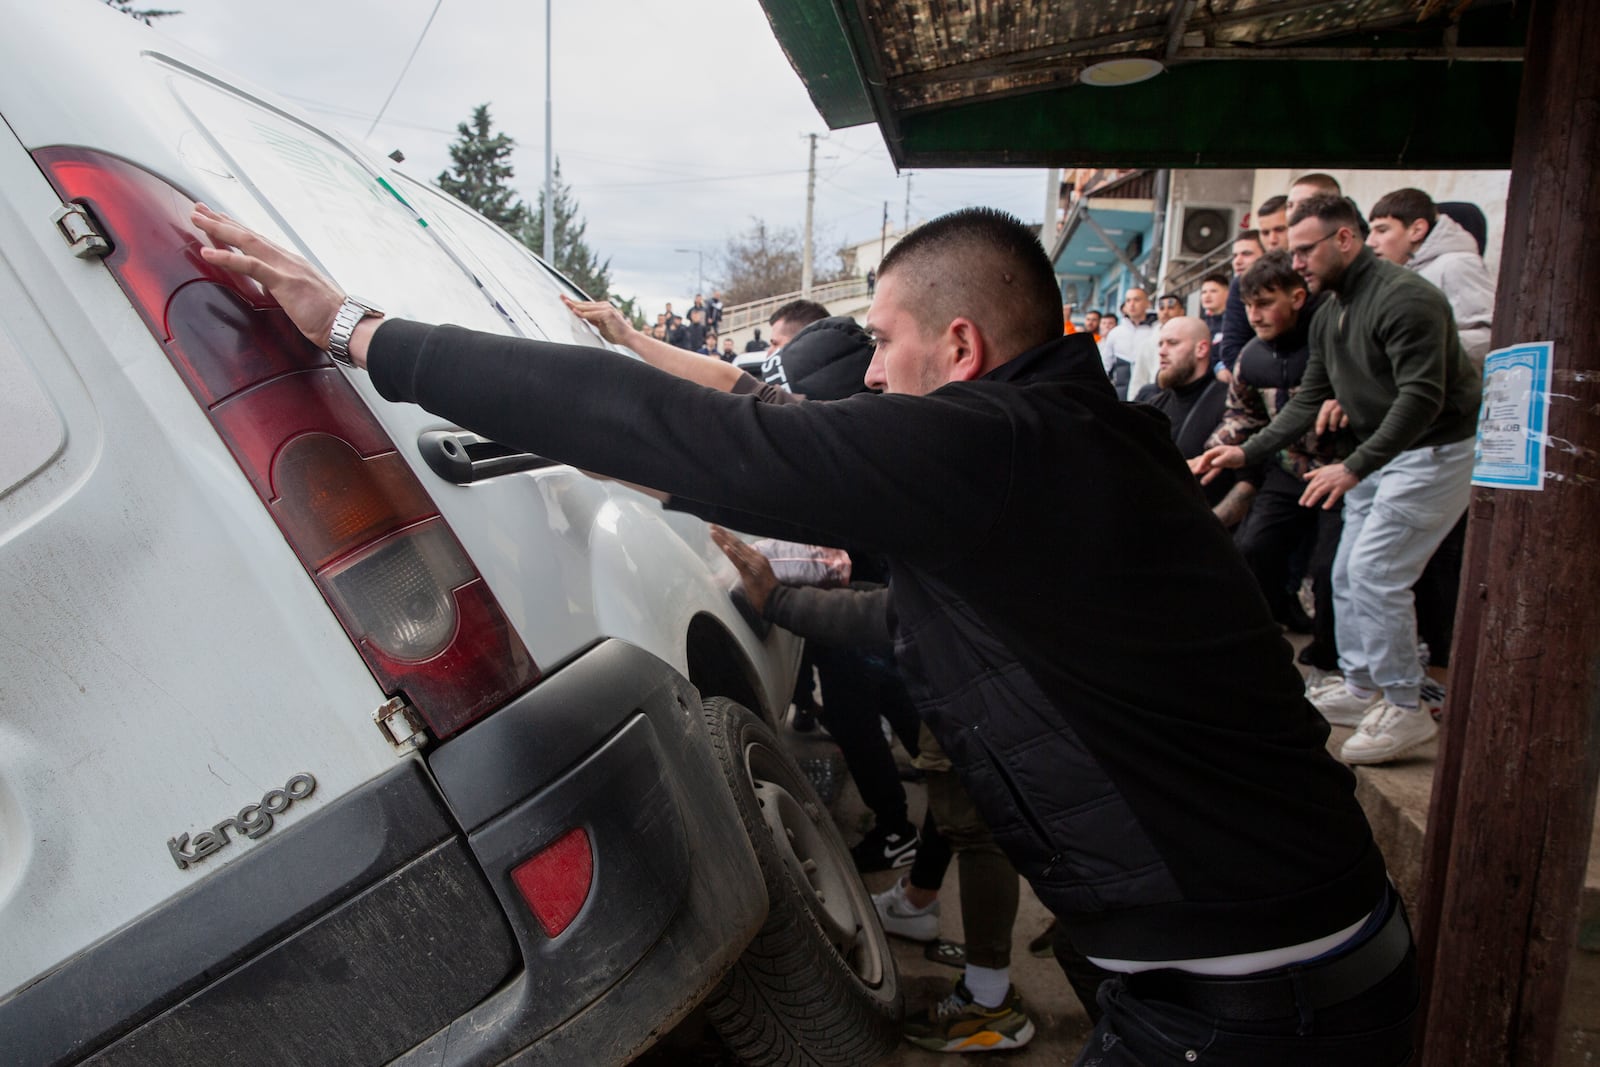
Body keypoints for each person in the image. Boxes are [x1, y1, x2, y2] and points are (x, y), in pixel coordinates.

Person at [193, 202, 1417, 1066]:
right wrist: (776, 596)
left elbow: (731, 442)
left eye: (881, 342)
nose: (868, 373)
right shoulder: (1055, 449)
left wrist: (361, 331)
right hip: (1251, 969)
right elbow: (922, 601)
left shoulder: (1003, 448)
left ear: (961, 347)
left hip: (1253, 1003)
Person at [709, 532, 1062, 1051]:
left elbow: (900, 614)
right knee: (961, 800)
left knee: (977, 826)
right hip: (972, 653)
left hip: (969, 658)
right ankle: (920, 900)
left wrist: (784, 597)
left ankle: (990, 1003)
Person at [1194, 194, 1482, 766]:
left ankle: (1404, 706)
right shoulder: (1329, 312)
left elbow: (1423, 397)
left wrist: (1353, 465)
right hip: (1379, 455)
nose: (1296, 261)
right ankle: (1361, 685)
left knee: (1377, 569)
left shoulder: (1406, 298)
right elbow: (1307, 402)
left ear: (1345, 240)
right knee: (1346, 571)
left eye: (1306, 250)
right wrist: (1245, 452)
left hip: (1433, 449)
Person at [1201, 252, 1349, 653]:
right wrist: (1217, 448)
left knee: (1330, 569)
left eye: (1265, 304)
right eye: (1248, 306)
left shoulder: (1330, 344)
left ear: (1297, 298)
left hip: (1340, 473)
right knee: (1252, 549)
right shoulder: (1251, 357)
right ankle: (1259, 635)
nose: (1255, 315)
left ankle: (1327, 656)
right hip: (1286, 470)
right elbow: (1242, 415)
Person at [1367, 187, 1495, 364]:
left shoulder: (1456, 264)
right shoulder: (1399, 273)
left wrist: (1423, 347)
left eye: (1381, 230)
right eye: (1371, 231)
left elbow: (1490, 338)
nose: (1370, 242)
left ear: (1417, 230)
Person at [1133, 317, 1233, 506]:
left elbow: (1247, 484)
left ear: (1201, 349)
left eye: (1172, 343)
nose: (1162, 352)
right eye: (1160, 344)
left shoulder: (1229, 403)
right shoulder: (1155, 404)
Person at [1215, 228, 1265, 376]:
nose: (1237, 261)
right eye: (1235, 255)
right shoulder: (1238, 286)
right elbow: (1231, 346)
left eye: (1247, 254)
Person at [1098, 288, 1157, 400]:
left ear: (1147, 303)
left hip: (1149, 394)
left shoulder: (1156, 331)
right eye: (1128, 300)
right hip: (1120, 395)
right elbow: (1105, 366)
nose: (1132, 304)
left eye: (1137, 300)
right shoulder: (1116, 333)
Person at [1198, 272, 1229, 345]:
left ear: (1228, 293)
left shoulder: (1234, 321)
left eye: (1213, 291)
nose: (1207, 296)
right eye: (1204, 292)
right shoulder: (1200, 325)